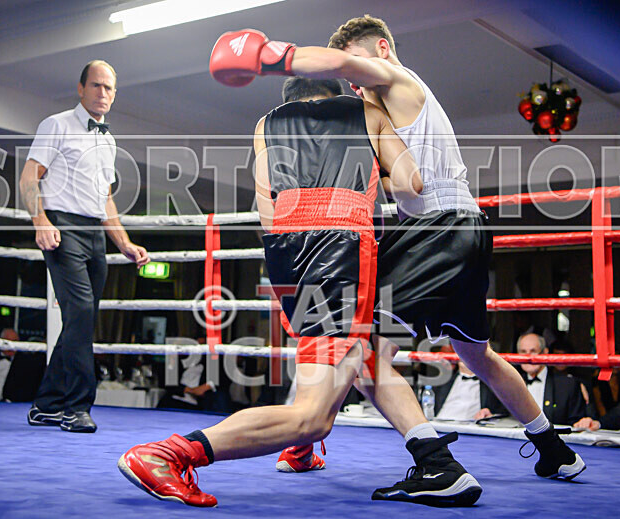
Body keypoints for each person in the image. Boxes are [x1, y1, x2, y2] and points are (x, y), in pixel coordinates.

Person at [208, 16, 585, 487]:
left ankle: (429, 463)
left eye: (357, 68)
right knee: (478, 356)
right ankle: (554, 449)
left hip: (435, 228)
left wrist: (269, 58)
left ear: (382, 49)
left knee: (356, 342)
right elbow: (403, 177)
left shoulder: (397, 78)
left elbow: (350, 74)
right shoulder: (387, 106)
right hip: (463, 226)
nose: (352, 81)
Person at [117, 76, 487, 508]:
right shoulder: (366, 112)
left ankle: (314, 453)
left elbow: (266, 208)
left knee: (353, 356)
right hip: (342, 246)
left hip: (287, 251)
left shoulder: (265, 125)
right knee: (312, 416)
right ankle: (168, 454)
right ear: (337, 94)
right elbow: (412, 184)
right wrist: (371, 172)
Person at [19, 60, 150, 433]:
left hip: (94, 235)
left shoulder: (107, 140)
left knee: (81, 319)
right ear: (81, 88)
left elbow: (104, 198)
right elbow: (30, 176)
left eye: (109, 88)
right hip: (61, 228)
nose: (103, 94)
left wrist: (124, 243)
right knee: (79, 313)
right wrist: (39, 221)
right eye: (96, 86)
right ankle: (76, 407)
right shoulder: (56, 124)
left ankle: (46, 404)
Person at [517, 333, 586, 426]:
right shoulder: (510, 383)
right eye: (523, 351)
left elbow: (578, 424)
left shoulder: (568, 385)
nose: (528, 356)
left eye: (533, 351)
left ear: (545, 353)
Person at [434, 360, 507, 420]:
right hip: (439, 427)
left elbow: (504, 412)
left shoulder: (493, 385)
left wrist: (490, 416)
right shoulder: (441, 382)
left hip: (471, 431)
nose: (464, 353)